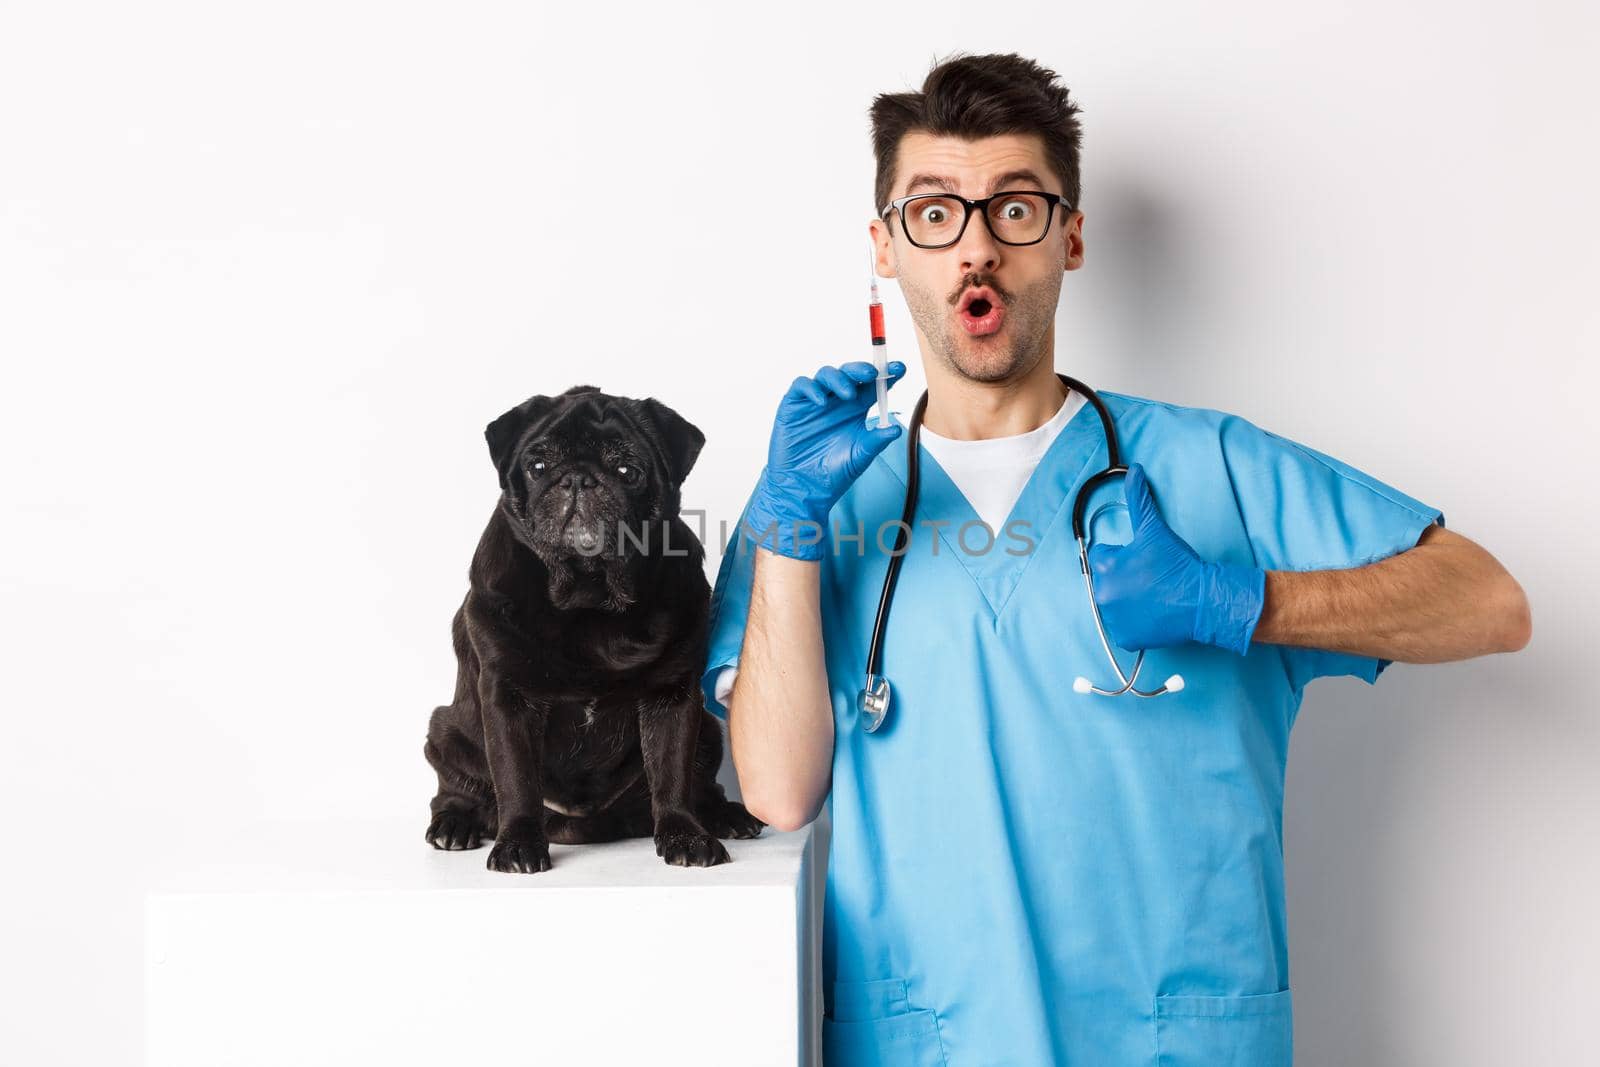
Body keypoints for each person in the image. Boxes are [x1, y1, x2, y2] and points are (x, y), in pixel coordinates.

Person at [702, 51, 1531, 1067]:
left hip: (1171, 1041)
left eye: (1014, 209)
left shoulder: (1208, 465)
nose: (976, 249)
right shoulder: (819, 496)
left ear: (1070, 236)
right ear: (885, 246)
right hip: (929, 1042)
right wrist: (786, 529)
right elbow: (776, 791)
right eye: (933, 213)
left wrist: (1233, 600)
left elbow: (1487, 601)